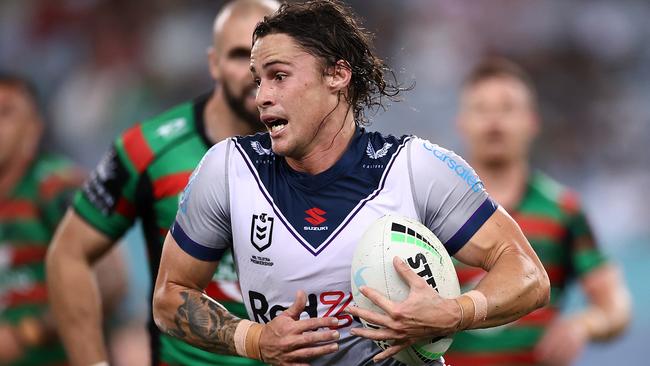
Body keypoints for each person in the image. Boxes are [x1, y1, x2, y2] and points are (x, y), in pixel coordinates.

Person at [151, 1, 551, 365]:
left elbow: (527, 273)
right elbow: (170, 295)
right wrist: (253, 339)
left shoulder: (415, 168)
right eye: (259, 80)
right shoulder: (229, 169)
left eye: (279, 76)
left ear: (338, 75)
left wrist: (458, 311)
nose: (262, 96)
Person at [45, 1, 280, 365]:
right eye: (239, 56)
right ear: (213, 63)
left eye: (272, 58)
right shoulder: (148, 150)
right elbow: (69, 254)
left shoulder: (324, 148)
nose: (255, 73)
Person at [445, 58, 631, 366]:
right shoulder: (431, 210)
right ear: (461, 122)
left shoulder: (562, 211)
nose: (494, 122)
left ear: (531, 122)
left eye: (507, 108)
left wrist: (582, 324)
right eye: (481, 109)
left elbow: (615, 306)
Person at [0, 73, 125, 365]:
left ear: (33, 130)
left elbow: (111, 280)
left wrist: (28, 333)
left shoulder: (56, 187)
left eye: (6, 113)